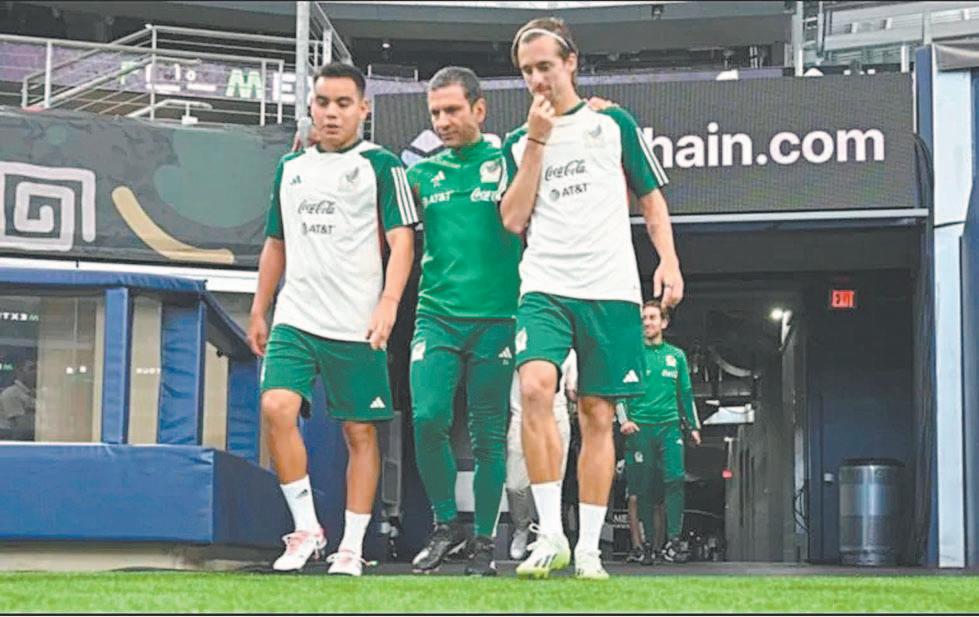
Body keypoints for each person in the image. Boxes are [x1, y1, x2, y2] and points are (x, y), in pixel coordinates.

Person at [499, 16, 683, 580]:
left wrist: (669, 261)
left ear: (571, 63)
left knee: (598, 414)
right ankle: (551, 534)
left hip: (611, 288)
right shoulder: (516, 142)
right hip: (545, 285)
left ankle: (588, 551)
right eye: (527, 71)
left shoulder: (613, 122)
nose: (537, 79)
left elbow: (650, 198)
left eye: (545, 66)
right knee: (535, 387)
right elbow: (512, 219)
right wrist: (536, 139)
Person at [247, 62, 417, 576]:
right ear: (311, 107)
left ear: (363, 109)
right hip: (296, 317)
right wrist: (259, 308)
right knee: (276, 407)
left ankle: (352, 544)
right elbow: (276, 242)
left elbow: (402, 241)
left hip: (357, 324)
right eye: (323, 102)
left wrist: (389, 302)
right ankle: (307, 529)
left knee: (360, 434)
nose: (332, 113)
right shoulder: (290, 167)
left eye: (344, 103)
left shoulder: (382, 165)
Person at [404, 66, 523, 577]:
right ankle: (446, 524)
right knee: (428, 417)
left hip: (497, 318)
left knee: (488, 436)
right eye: (435, 113)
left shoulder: (507, 163)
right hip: (436, 317)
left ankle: (483, 544)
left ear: (479, 108)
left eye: (452, 110)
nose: (442, 121)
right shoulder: (420, 175)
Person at [618, 299, 700, 566]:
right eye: (643, 318)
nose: (647, 323)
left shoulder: (677, 356)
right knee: (642, 488)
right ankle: (647, 546)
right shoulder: (631, 354)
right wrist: (624, 421)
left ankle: (673, 542)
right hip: (639, 428)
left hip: (669, 427)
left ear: (664, 322)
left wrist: (693, 426)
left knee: (674, 480)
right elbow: (619, 391)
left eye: (652, 318)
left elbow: (685, 393)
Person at [506, 350, 577, 560]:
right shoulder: (518, 343)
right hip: (521, 416)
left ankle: (547, 534)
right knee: (514, 485)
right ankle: (522, 527)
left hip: (557, 416)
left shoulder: (568, 351)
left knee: (554, 484)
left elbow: (572, 389)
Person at [0, 359, 36, 441]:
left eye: (36, 368)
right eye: (31, 368)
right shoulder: (11, 393)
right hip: (11, 441)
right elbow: (23, 427)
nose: (35, 372)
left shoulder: (37, 393)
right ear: (20, 372)